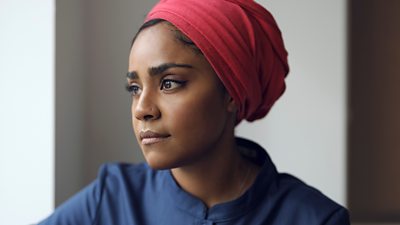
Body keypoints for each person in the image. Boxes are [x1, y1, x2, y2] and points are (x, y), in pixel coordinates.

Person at [38, 0, 350, 224]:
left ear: (229, 91)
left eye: (169, 83)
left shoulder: (315, 218)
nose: (143, 109)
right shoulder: (111, 198)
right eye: (135, 89)